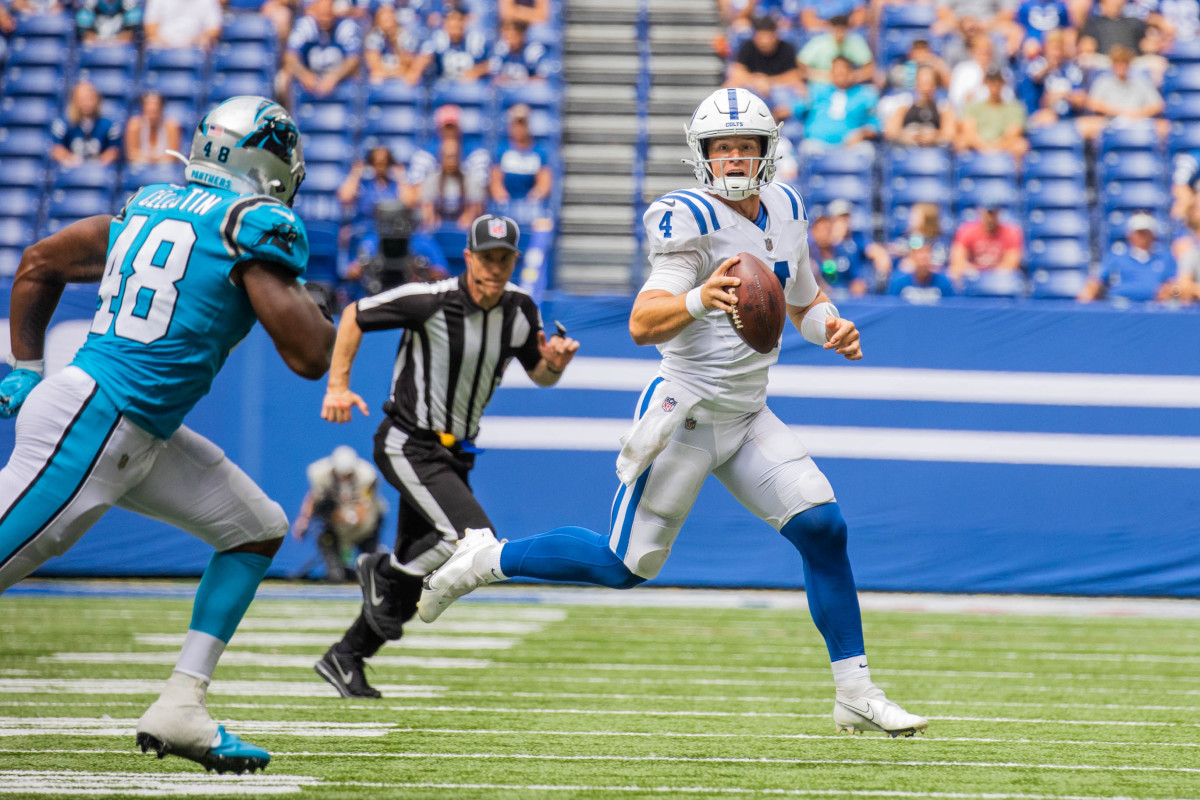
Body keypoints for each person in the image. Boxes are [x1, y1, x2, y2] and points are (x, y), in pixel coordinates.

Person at [416, 87, 929, 739]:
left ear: (767, 153)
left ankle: (855, 693)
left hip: (746, 412)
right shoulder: (685, 218)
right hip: (684, 411)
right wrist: (698, 299)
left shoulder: (786, 206)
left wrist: (831, 327)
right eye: (724, 148)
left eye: (746, 146)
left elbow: (801, 297)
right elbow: (640, 324)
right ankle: (486, 558)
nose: (736, 159)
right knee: (623, 566)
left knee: (823, 528)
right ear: (704, 156)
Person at [0, 96, 334, 772]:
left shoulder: (153, 203)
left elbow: (39, 261)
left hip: (123, 426)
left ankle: (182, 704)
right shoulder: (251, 225)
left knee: (255, 528)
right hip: (96, 424)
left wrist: (24, 371)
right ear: (265, 160)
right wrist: (331, 312)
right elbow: (311, 356)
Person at [311, 214, 579, 699]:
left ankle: (347, 656)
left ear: (514, 261)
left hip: (456, 455)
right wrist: (337, 385)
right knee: (474, 542)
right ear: (470, 258)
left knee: (420, 570)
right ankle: (383, 574)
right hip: (409, 440)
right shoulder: (429, 299)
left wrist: (554, 365)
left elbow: (538, 372)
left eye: (505, 258)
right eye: (488, 257)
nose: (496, 268)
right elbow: (354, 314)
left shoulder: (520, 310)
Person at [292, 445, 387, 582]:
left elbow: (363, 509)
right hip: (336, 522)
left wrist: (346, 517)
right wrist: (304, 520)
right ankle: (337, 567)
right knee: (335, 574)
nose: (343, 478)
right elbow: (314, 496)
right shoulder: (320, 474)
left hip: (365, 523)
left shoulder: (366, 475)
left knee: (370, 570)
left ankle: (371, 563)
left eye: (347, 475)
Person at [780, 56, 880, 154]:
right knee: (806, 148)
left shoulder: (865, 95)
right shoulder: (817, 90)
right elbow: (797, 108)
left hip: (849, 147)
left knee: (867, 151)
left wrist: (861, 134)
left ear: (851, 73)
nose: (839, 77)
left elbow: (875, 125)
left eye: (843, 73)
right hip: (817, 145)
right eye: (835, 73)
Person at [1078, 211, 1176, 302]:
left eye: (1146, 232)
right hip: (1119, 308)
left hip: (1156, 309)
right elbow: (1096, 281)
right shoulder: (1116, 257)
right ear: (1130, 235)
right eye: (1139, 232)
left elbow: (1176, 285)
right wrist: (1091, 289)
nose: (1142, 236)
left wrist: (1172, 291)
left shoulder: (1165, 258)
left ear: (1153, 235)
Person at [281, 0, 363, 102]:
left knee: (358, 75)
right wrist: (304, 75)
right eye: (322, 15)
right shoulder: (306, 25)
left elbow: (353, 60)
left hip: (339, 77)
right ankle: (290, 113)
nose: (325, 19)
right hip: (311, 73)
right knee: (285, 77)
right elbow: (290, 56)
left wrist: (334, 77)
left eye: (328, 15)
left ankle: (353, 114)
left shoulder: (346, 26)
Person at [490, 103, 553, 226]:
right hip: (506, 203)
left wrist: (535, 197)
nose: (520, 128)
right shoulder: (501, 151)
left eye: (522, 124)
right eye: (516, 124)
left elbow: (544, 182)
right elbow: (495, 182)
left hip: (531, 204)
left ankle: (536, 246)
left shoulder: (539, 152)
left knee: (543, 220)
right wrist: (504, 199)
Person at [725, 16, 804, 109]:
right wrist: (756, 80)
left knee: (798, 94)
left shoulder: (786, 48)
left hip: (779, 90)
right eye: (761, 37)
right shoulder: (748, 47)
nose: (765, 42)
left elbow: (794, 76)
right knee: (730, 88)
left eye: (768, 37)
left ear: (775, 36)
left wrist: (768, 81)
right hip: (752, 88)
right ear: (755, 36)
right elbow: (738, 73)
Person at [1085, 45, 1165, 135]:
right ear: (1113, 65)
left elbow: (1158, 105)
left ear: (1129, 64)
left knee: (1164, 127)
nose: (1121, 67)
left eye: (1124, 63)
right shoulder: (1103, 81)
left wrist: (1137, 114)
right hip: (1110, 121)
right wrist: (1120, 112)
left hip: (1139, 120)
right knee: (1085, 125)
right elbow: (1092, 103)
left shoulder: (1141, 82)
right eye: (1118, 63)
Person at [957, 66, 1029, 158]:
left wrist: (994, 148)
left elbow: (1013, 133)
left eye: (998, 81)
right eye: (991, 81)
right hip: (978, 146)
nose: (994, 85)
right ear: (986, 83)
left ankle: (1014, 171)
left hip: (1003, 147)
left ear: (1003, 83)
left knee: (1020, 145)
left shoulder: (1015, 107)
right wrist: (984, 147)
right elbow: (969, 130)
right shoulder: (973, 106)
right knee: (961, 141)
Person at [50, 81, 122, 169]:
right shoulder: (63, 125)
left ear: (97, 99)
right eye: (82, 99)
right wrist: (72, 161)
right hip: (71, 171)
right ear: (75, 100)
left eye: (90, 98)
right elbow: (57, 150)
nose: (87, 103)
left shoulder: (109, 125)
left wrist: (98, 165)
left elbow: (113, 151)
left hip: (98, 173)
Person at [420, 136, 485, 231]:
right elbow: (427, 209)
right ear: (441, 157)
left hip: (463, 227)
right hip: (439, 226)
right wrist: (432, 222)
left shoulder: (471, 179)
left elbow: (476, 209)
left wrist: (468, 218)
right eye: (448, 157)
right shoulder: (431, 180)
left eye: (454, 156)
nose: (451, 161)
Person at [884, 64, 958, 147]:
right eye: (923, 83)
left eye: (929, 83)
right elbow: (890, 131)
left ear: (935, 85)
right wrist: (904, 136)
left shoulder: (943, 107)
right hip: (907, 151)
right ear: (917, 83)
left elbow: (950, 134)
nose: (926, 88)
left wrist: (936, 136)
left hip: (934, 151)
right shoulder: (905, 105)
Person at [414, 4, 491, 83]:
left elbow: (493, 63)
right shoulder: (438, 39)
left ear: (464, 23)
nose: (454, 32)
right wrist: (416, 70)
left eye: (457, 27)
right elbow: (424, 57)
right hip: (444, 88)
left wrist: (477, 71)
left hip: (470, 88)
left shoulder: (476, 41)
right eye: (451, 27)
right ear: (445, 25)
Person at [949, 204, 1024, 280]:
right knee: (954, 272)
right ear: (980, 211)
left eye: (993, 214)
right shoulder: (968, 231)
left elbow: (1011, 263)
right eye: (987, 214)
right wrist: (974, 272)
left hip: (1000, 281)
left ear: (998, 213)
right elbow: (957, 259)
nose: (989, 219)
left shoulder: (1011, 232)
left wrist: (991, 276)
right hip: (974, 277)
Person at [797, 13, 874, 85]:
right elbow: (801, 65)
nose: (839, 34)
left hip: (850, 86)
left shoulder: (855, 42)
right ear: (830, 28)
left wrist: (853, 76)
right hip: (823, 85)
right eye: (837, 30)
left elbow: (870, 67)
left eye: (842, 30)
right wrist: (823, 76)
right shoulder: (819, 42)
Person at [363, 3, 422, 85]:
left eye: (390, 19)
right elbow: (376, 68)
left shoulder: (405, 36)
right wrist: (394, 72)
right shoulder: (373, 37)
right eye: (384, 21)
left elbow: (408, 66)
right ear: (378, 22)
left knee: (410, 79)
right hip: (384, 80)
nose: (388, 24)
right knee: (375, 78)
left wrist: (395, 44)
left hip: (400, 79)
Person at [124, 91, 183, 167]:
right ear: (143, 109)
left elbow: (174, 156)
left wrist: (149, 158)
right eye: (149, 112)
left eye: (155, 112)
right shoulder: (134, 126)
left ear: (161, 109)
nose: (152, 116)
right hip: (141, 170)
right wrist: (153, 158)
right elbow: (131, 155)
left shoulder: (171, 126)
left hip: (165, 170)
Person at [888, 238, 956, 302]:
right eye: (920, 252)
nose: (924, 256)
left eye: (928, 252)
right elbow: (892, 308)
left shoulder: (943, 283)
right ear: (912, 256)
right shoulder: (899, 284)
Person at [490, 19, 554, 84]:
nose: (510, 41)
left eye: (513, 37)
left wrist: (518, 81)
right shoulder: (501, 50)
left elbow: (543, 79)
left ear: (522, 35)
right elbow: (495, 75)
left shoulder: (533, 51)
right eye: (506, 37)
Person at [144, 0, 220, 49]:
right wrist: (169, 45)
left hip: (196, 48)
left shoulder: (209, 1)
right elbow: (151, 30)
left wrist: (197, 40)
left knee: (206, 43)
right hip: (162, 47)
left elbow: (214, 29)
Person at [75, 0, 141, 46]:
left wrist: (105, 41)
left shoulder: (130, 4)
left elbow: (130, 36)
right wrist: (108, 42)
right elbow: (86, 37)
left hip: (120, 54)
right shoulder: (89, 4)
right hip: (96, 53)